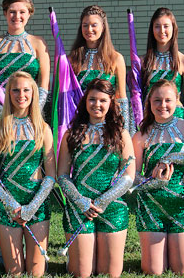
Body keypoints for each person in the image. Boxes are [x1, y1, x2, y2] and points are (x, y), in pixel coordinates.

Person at [132, 79, 184, 275]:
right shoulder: (141, 134)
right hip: (151, 206)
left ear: (177, 101)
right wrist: (152, 182)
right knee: (153, 271)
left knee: (183, 270)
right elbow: (131, 177)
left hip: (181, 206)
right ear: (149, 102)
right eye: (157, 100)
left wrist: (173, 157)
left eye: (168, 100)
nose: (162, 105)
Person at [57, 79, 134, 278]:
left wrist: (103, 200)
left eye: (102, 100)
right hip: (78, 206)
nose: (97, 105)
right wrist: (80, 201)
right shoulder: (71, 134)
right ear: (85, 101)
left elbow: (128, 175)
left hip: (112, 206)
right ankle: (74, 260)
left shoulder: (121, 135)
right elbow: (62, 175)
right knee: (82, 273)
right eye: (92, 99)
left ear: (111, 103)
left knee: (109, 274)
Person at [0, 71, 56, 276]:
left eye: (26, 90)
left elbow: (51, 175)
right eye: (15, 90)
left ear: (33, 94)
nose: (20, 95)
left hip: (37, 204)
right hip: (8, 205)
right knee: (14, 272)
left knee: (36, 272)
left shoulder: (43, 128)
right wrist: (10, 204)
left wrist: (33, 206)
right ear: (8, 94)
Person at [0, 0, 50, 122]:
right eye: (12, 11)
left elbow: (44, 83)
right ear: (5, 13)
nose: (17, 16)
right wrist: (1, 111)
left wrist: (33, 111)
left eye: (22, 12)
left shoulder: (39, 43)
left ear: (29, 14)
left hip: (31, 115)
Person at [69, 5, 130, 131]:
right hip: (80, 122)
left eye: (94, 25)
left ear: (103, 27)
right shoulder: (71, 59)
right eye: (85, 25)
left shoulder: (116, 59)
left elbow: (121, 98)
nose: (89, 29)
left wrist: (124, 129)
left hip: (109, 124)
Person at [141, 8, 184, 124]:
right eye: (157, 26)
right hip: (149, 120)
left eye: (166, 26)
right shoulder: (142, 61)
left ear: (173, 28)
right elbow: (137, 96)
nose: (162, 31)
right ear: (152, 29)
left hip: (177, 120)